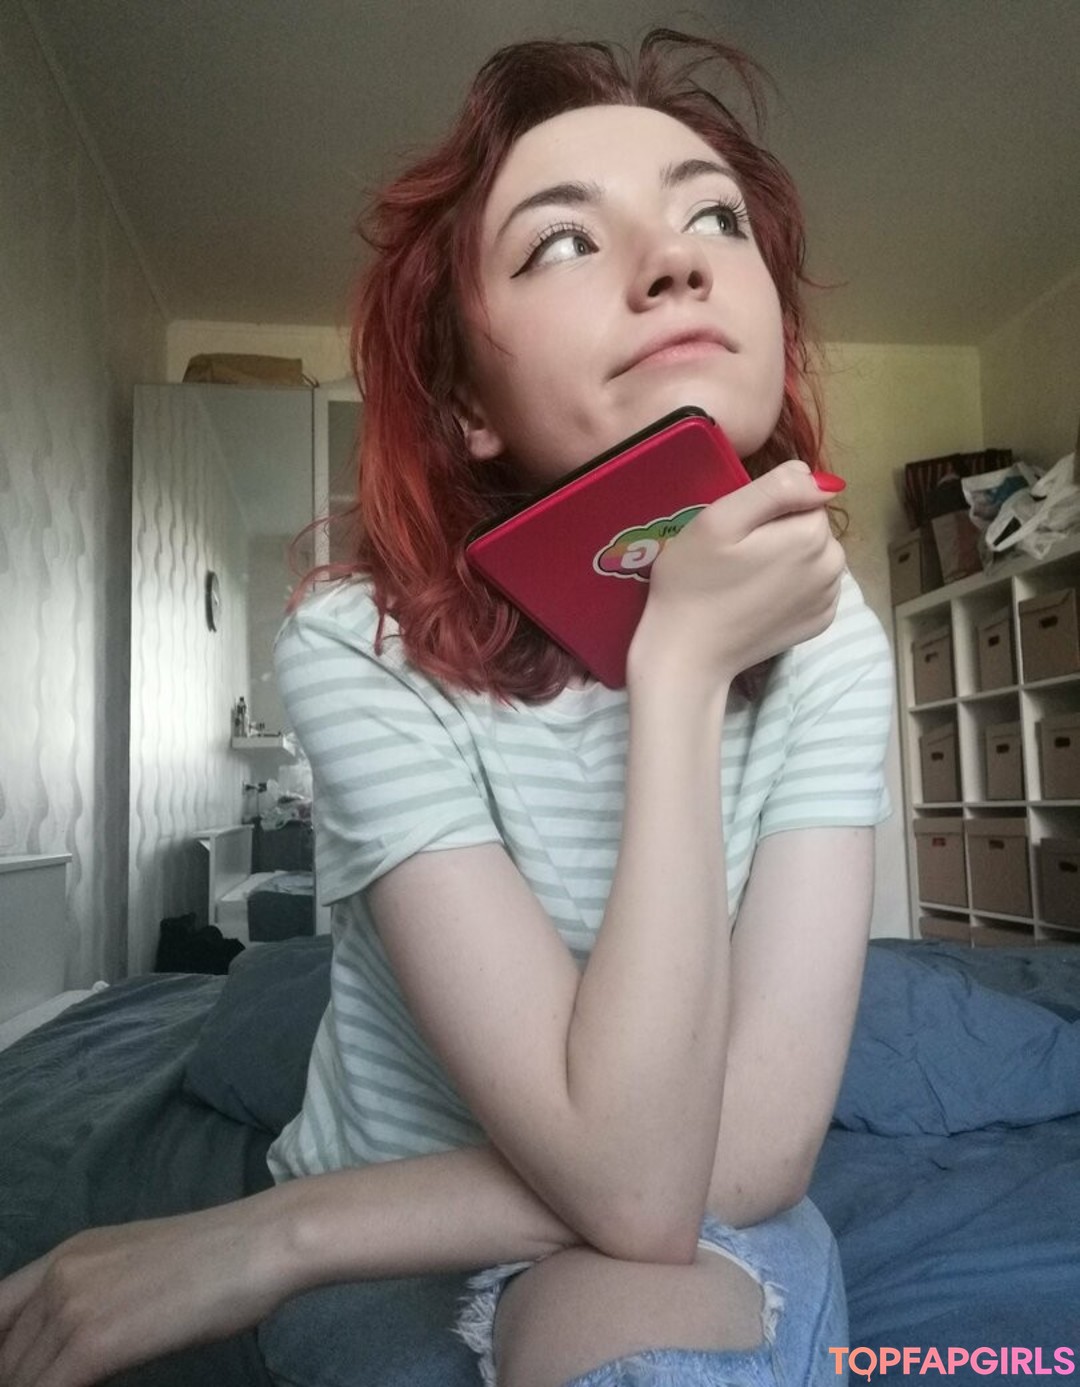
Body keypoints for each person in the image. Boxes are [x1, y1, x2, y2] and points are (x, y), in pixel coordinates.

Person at [0, 28, 893, 1387]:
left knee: (634, 1328)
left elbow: (715, 1175)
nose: (677, 261)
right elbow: (640, 1175)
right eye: (562, 241)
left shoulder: (833, 642)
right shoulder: (357, 643)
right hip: (401, 1229)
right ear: (469, 400)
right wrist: (681, 666)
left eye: (716, 217)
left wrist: (278, 1234)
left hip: (669, 1224)